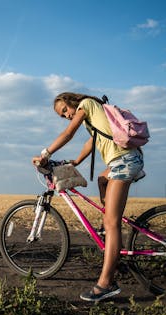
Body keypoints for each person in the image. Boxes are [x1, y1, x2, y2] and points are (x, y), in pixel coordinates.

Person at [32, 92, 144, 302]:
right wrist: (75, 162)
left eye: (65, 110)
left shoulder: (86, 105)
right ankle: (109, 238)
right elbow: (91, 144)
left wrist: (45, 154)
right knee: (102, 181)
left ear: (71, 101)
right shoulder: (95, 118)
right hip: (124, 160)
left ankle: (106, 284)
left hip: (124, 162)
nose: (66, 115)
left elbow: (68, 133)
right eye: (62, 115)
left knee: (113, 224)